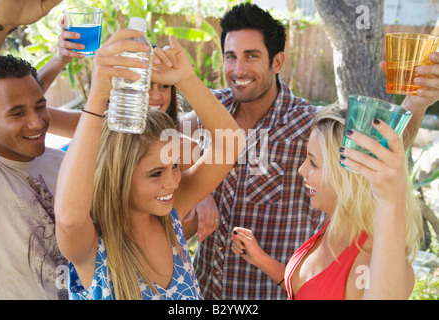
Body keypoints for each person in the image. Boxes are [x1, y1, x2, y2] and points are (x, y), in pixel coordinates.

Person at [182, 3, 439, 300]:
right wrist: (200, 191)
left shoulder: (307, 124)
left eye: (251, 56)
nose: (238, 69)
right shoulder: (211, 109)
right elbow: (168, 135)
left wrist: (416, 103)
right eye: (231, 56)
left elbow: (380, 150)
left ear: (277, 62)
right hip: (202, 292)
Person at [53, 30, 245, 300]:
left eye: (175, 166)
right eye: (156, 173)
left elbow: (232, 144)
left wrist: (186, 79)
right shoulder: (92, 245)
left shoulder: (170, 216)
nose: (173, 181)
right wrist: (97, 97)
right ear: (118, 174)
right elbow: (69, 219)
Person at [231, 105, 423, 299]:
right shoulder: (334, 224)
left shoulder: (371, 262)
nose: (301, 170)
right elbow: (311, 290)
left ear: (347, 178)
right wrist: (261, 259)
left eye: (313, 163)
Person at [0, 0, 66, 299]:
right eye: (17, 113)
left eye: (41, 106)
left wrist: (60, 59)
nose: (37, 122)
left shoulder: (65, 164)